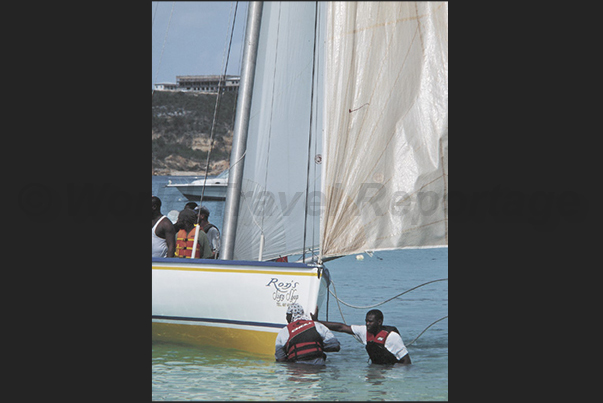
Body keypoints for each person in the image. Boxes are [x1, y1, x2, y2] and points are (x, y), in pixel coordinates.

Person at [315, 309, 411, 365]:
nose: (367, 324)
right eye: (366, 321)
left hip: (390, 372)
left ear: (379, 322)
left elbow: (407, 361)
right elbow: (341, 327)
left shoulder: (392, 337)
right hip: (376, 369)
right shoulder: (364, 331)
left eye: (370, 321)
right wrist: (317, 322)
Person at [275, 303, 340, 365]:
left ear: (290, 316)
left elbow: (280, 359)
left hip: (296, 370)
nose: (286, 318)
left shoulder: (284, 332)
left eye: (287, 316)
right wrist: (316, 347)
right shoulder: (317, 325)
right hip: (318, 368)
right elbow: (335, 346)